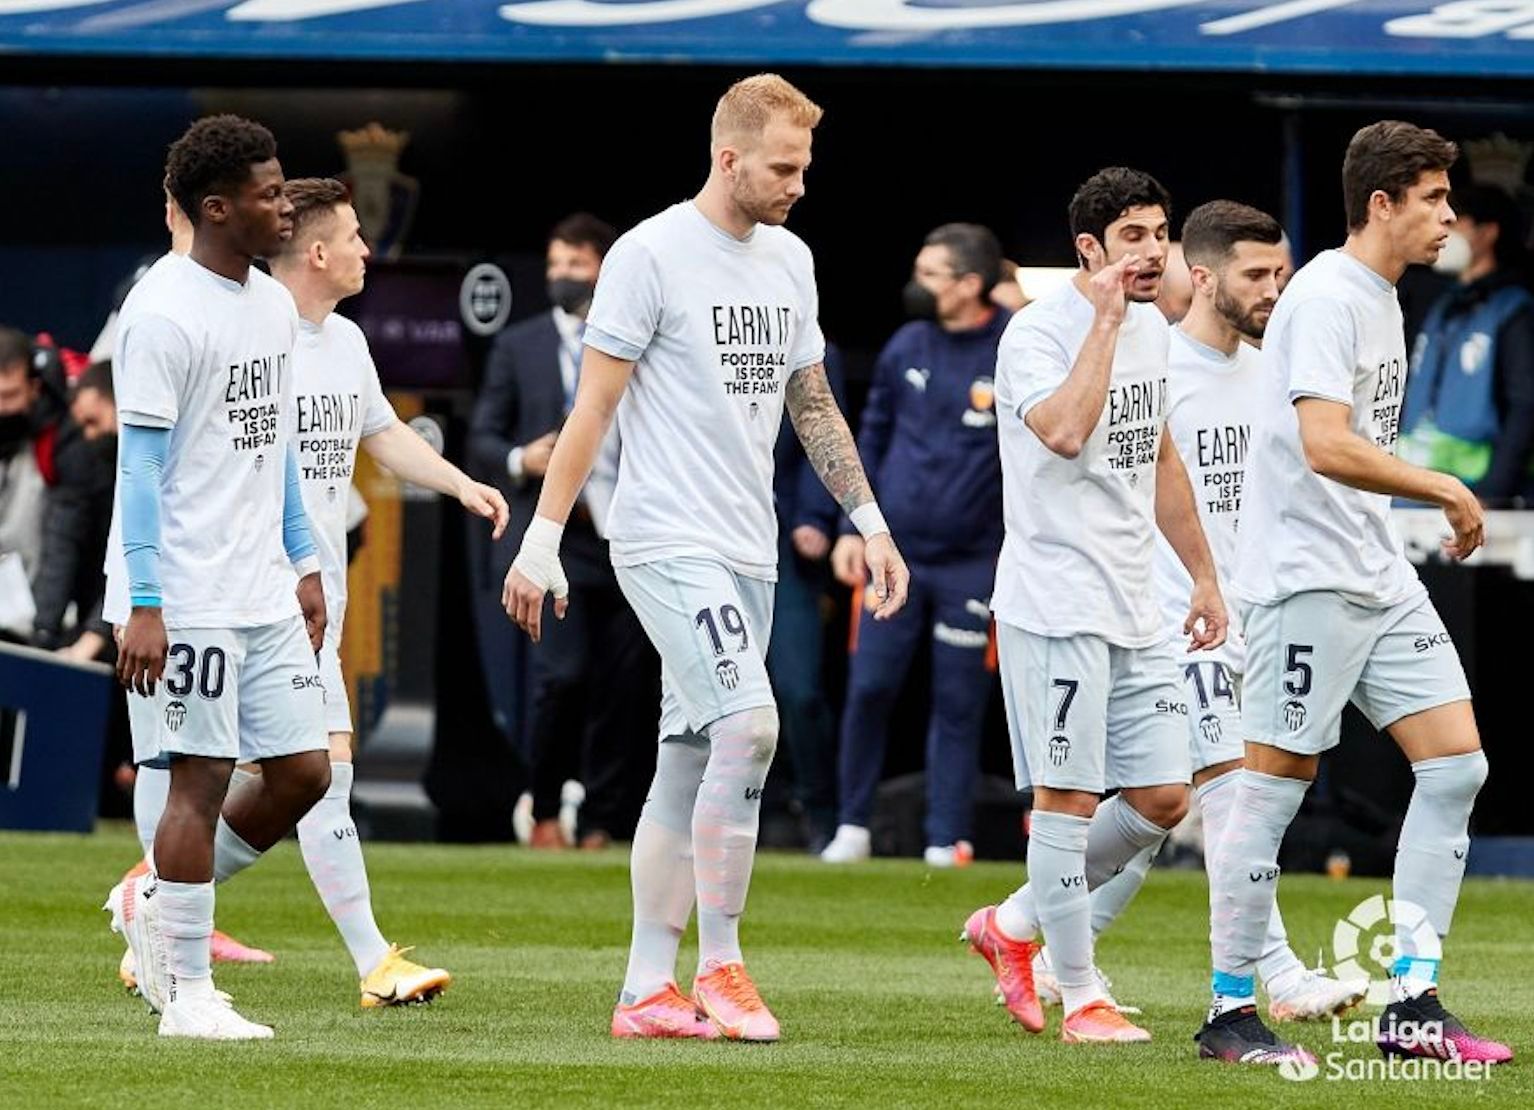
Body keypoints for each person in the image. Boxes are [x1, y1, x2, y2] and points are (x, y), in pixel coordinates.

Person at [502, 73, 909, 1042]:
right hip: (662, 534)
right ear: (728, 158)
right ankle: (721, 967)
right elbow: (592, 407)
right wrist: (545, 537)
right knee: (752, 724)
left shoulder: (792, 261)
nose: (799, 184)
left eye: (805, 166)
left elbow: (811, 402)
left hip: (747, 545)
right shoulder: (649, 255)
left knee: (689, 760)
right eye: (783, 167)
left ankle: (646, 990)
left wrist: (870, 519)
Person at [1204, 121, 1511, 1066]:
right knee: (1271, 792)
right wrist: (1445, 485)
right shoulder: (1328, 296)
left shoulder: (1383, 297)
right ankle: (1228, 1013)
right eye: (1433, 200)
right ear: (1381, 204)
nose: (1449, 218)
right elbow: (1324, 441)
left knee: (1457, 766)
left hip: (1373, 572)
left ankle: (1412, 1003)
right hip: (1305, 579)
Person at [1032, 200, 1363, 1023]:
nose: (1274, 292)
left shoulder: (1277, 378)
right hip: (1165, 619)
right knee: (1231, 793)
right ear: (1205, 275)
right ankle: (1276, 978)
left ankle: (1031, 936)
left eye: (1282, 274)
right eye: (1257, 274)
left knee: (1156, 815)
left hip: (1250, 616)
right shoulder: (1151, 361)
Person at [962, 167, 1225, 1045]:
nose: (1155, 251)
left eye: (1162, 232)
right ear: (1090, 248)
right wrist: (1106, 323)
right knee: (1066, 803)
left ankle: (1011, 923)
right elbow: (1067, 430)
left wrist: (1203, 575)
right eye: (1136, 237)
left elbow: (1156, 455)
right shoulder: (1037, 333)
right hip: (1054, 601)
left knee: (1161, 800)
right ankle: (1080, 996)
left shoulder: (1152, 329)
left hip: (1134, 600)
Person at [102, 114, 332, 1041]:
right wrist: (147, 602)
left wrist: (305, 559)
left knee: (304, 772)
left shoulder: (271, 304)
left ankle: (157, 897)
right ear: (216, 206)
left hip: (260, 586)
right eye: (272, 193)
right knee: (197, 779)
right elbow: (139, 471)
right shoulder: (160, 314)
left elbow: (270, 442)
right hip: (186, 592)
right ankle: (188, 995)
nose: (287, 207)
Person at [266, 176, 505, 1002]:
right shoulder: (249, 334)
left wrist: (462, 484)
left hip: (316, 602)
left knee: (319, 776)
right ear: (320, 252)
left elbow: (385, 434)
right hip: (253, 601)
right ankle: (155, 901)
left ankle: (374, 964)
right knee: (239, 781)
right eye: (358, 236)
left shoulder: (346, 342)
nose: (371, 250)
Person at [821, 223, 1009, 867]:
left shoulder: (1012, 347)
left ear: (969, 284)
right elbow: (868, 440)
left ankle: (944, 837)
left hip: (972, 563)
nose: (916, 285)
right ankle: (850, 825)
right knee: (870, 687)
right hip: (892, 555)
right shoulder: (906, 343)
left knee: (959, 702)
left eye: (930, 274)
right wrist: (855, 527)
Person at [469, 213, 656, 851]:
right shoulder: (518, 344)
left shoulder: (641, 339)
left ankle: (604, 820)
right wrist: (526, 458)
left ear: (605, 269)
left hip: (626, 532)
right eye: (554, 266)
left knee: (627, 684)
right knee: (563, 676)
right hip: (554, 533)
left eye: (575, 265)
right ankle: (543, 807)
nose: (562, 277)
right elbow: (484, 438)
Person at [1400, 183, 1534, 502]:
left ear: (1486, 234)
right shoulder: (1441, 305)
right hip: (1414, 492)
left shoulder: (1513, 309)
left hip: (1475, 495)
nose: (1444, 228)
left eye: (1456, 221)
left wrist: (1493, 492)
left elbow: (1525, 405)